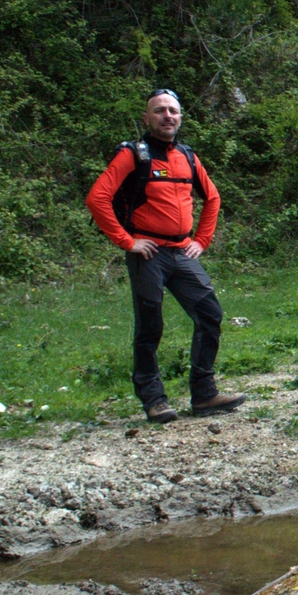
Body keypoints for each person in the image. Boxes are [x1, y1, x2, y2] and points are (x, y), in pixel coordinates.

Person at [86, 89, 248, 423]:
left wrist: (201, 240)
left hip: (182, 251)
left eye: (173, 110)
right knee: (150, 325)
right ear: (147, 118)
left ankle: (204, 395)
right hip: (149, 254)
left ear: (180, 117)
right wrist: (127, 241)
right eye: (159, 111)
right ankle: (154, 399)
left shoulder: (187, 156)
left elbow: (213, 198)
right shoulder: (134, 155)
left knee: (209, 314)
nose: (167, 116)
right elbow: (97, 198)